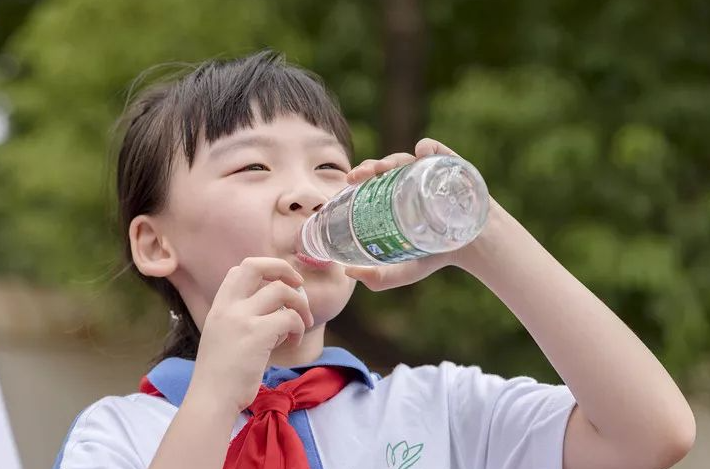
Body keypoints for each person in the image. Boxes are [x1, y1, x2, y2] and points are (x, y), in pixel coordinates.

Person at [53, 50, 695, 469]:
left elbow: (653, 434)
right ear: (156, 245)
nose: (307, 191)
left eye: (329, 166)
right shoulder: (120, 436)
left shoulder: (440, 408)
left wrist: (484, 237)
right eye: (253, 165)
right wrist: (219, 393)